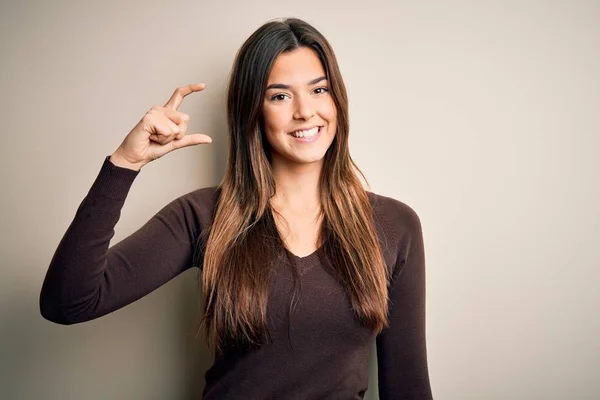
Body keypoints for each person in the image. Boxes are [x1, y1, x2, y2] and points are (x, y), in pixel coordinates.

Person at [39, 17, 433, 399]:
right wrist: (124, 164)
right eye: (280, 96)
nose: (305, 111)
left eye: (319, 90)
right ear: (253, 112)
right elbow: (69, 301)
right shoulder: (204, 215)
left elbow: (408, 388)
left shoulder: (394, 226)